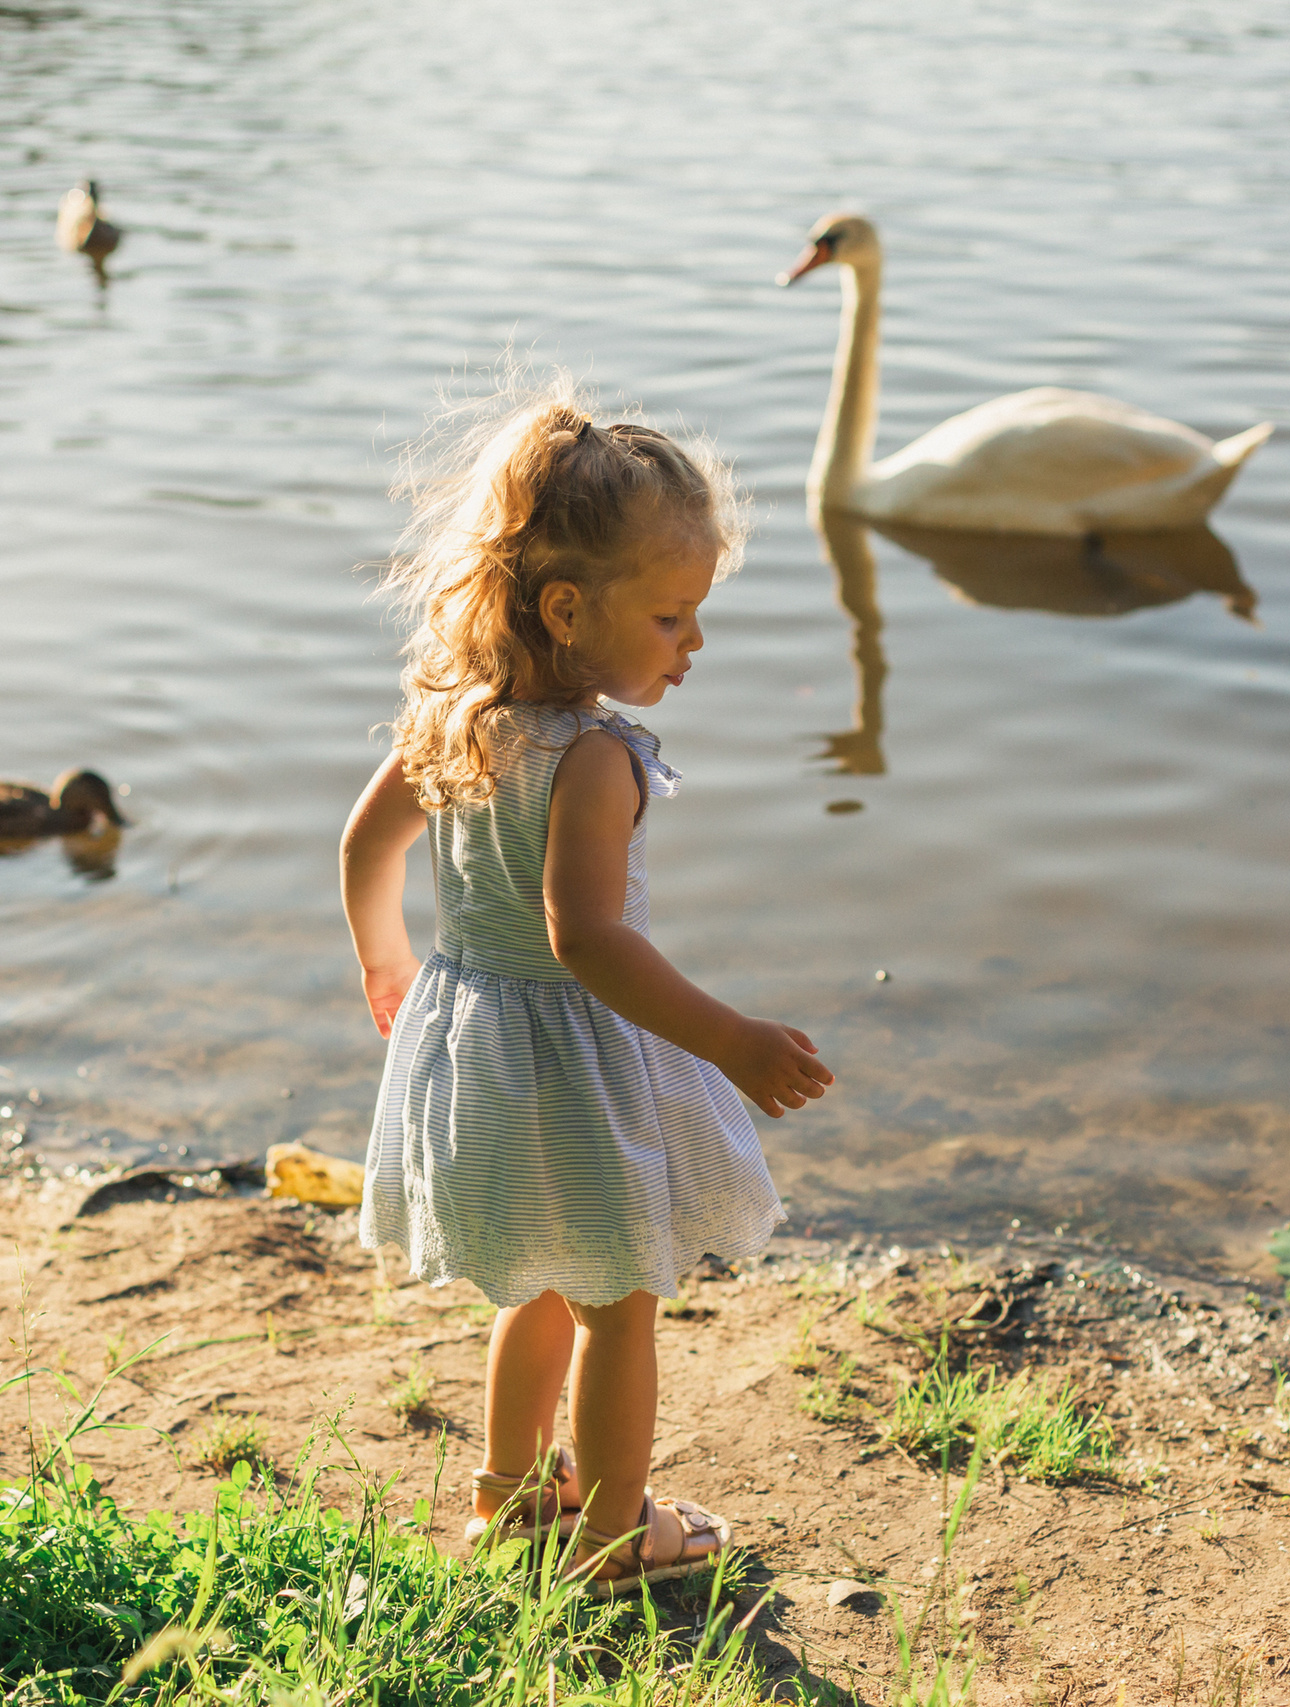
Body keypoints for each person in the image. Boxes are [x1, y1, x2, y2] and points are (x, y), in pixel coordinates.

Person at [339, 388, 834, 1596]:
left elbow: (363, 847)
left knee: (539, 1281)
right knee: (620, 1301)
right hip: (577, 1059)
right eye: (669, 616)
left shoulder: (455, 720)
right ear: (568, 608)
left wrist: (387, 963)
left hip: (478, 1045)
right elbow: (587, 941)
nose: (692, 642)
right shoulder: (596, 758)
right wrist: (729, 1040)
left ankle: (508, 1497)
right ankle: (616, 1535)